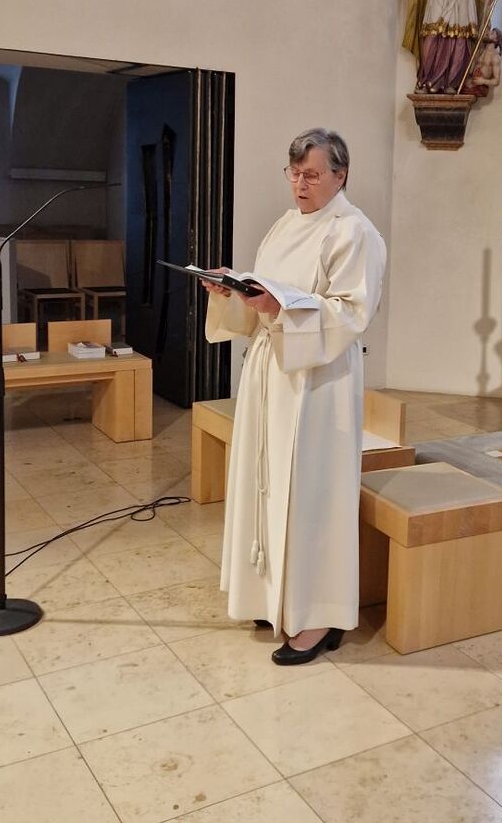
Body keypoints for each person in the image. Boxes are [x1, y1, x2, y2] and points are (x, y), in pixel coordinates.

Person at [201, 129, 387, 665]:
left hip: (319, 382)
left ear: (340, 176)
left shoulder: (354, 232)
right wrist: (236, 290)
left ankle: (318, 617)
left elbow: (351, 312)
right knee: (265, 481)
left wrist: (277, 308)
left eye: (312, 174)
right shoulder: (285, 224)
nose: (300, 184)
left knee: (312, 493)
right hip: (271, 371)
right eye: (294, 173)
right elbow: (266, 298)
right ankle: (272, 596)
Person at [467, 27, 502, 97]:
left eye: (492, 33)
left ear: (496, 39)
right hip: (471, 83)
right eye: (489, 32)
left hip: (480, 87)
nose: (488, 33)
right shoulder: (480, 51)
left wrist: (483, 81)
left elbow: (496, 81)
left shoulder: (495, 57)